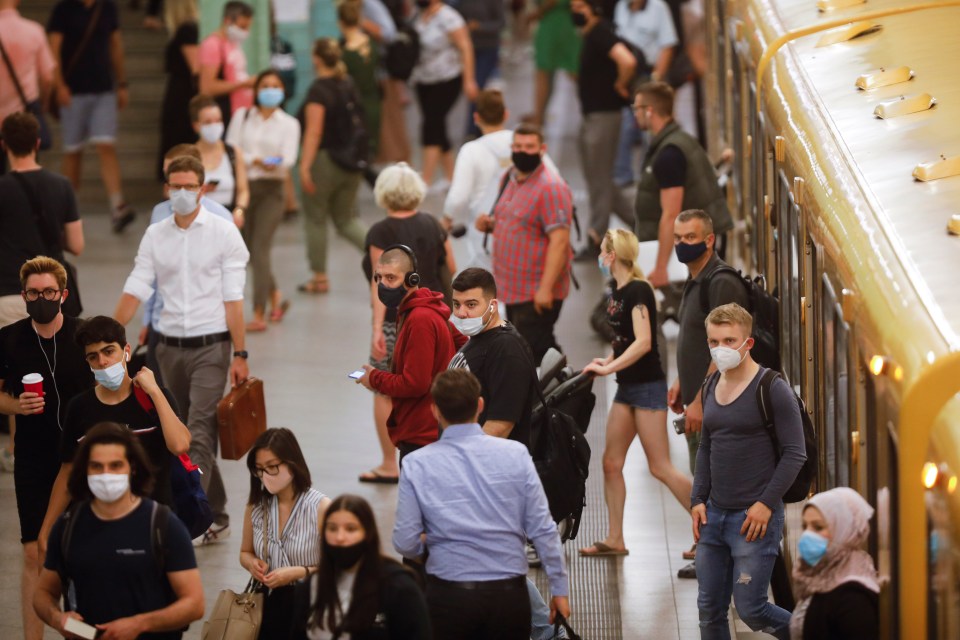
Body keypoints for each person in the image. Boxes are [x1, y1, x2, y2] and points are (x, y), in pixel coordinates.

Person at [114, 155, 250, 546]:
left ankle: (186, 522)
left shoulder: (224, 234)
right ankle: (217, 510)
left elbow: (233, 298)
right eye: (176, 185)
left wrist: (240, 354)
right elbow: (137, 285)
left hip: (212, 345)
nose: (183, 193)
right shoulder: (156, 235)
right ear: (166, 188)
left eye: (191, 186)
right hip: (166, 346)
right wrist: (108, 332)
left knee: (200, 430)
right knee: (179, 428)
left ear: (204, 189)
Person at [393, 369, 570, 639]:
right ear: (479, 405)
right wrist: (559, 590)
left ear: (434, 410)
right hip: (509, 598)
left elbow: (405, 542)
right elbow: (543, 529)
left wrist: (435, 540)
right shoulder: (515, 454)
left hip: (449, 597)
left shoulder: (417, 464)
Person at [691, 303, 805, 640]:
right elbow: (706, 447)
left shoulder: (772, 388)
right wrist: (698, 498)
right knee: (708, 610)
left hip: (752, 520)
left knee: (752, 609)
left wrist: (766, 504)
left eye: (729, 340)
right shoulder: (711, 385)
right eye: (714, 342)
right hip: (713, 516)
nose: (720, 349)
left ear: (748, 343)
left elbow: (794, 454)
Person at [37, 315, 193, 563]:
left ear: (126, 351)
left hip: (154, 523)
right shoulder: (80, 407)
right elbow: (67, 471)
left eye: (109, 351)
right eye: (93, 356)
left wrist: (153, 390)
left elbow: (180, 445)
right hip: (100, 527)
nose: (102, 362)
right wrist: (46, 530)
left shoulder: (155, 398)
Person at [577, 229, 691, 556]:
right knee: (611, 463)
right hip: (627, 388)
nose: (599, 257)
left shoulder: (639, 290)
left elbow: (643, 343)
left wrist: (608, 370)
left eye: (602, 251)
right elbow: (624, 341)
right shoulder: (618, 290)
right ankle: (615, 539)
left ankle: (709, 525)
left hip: (646, 388)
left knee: (660, 466)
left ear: (612, 255)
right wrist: (609, 360)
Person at [34, 422, 205, 640]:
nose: (106, 475)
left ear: (132, 468)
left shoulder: (163, 525)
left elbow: (194, 604)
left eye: (115, 465)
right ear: (84, 469)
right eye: (96, 466)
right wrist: (57, 618)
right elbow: (43, 593)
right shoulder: (68, 526)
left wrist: (139, 624)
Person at [0, 257, 93, 640]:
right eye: (35, 293)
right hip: (34, 460)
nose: (42, 298)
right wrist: (15, 405)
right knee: (33, 553)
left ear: (63, 295)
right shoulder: (9, 339)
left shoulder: (83, 336)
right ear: (24, 296)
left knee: (84, 553)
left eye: (49, 292)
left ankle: (87, 632)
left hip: (84, 460)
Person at [359, 164, 454, 483]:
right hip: (434, 311)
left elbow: (378, 281)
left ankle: (389, 462)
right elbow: (450, 267)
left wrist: (376, 328)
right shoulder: (434, 224)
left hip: (393, 319)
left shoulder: (380, 232)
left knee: (382, 387)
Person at [669, 208, 748, 577]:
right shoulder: (696, 278)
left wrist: (701, 399)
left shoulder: (720, 282)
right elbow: (694, 341)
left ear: (710, 239)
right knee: (701, 472)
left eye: (690, 238)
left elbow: (725, 351)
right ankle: (706, 546)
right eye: (678, 238)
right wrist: (682, 384)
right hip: (698, 395)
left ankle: (712, 555)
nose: (682, 245)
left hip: (715, 401)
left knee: (710, 479)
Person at [356, 246, 465, 463]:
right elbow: (463, 344)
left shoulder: (420, 319)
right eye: (379, 278)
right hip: (433, 429)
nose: (383, 285)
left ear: (412, 280)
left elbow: (415, 383)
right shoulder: (419, 311)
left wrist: (374, 378)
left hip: (423, 437)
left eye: (391, 278)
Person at [475, 123, 572, 362]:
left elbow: (560, 241)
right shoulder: (508, 177)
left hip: (535, 290)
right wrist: (491, 224)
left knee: (536, 351)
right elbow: (519, 220)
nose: (522, 151)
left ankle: (567, 394)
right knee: (527, 350)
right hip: (512, 288)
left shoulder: (551, 187)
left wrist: (545, 289)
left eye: (529, 146)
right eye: (518, 146)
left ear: (542, 149)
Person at [141, 143, 236, 379]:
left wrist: (235, 342)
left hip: (205, 328)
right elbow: (152, 274)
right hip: (161, 324)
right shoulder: (158, 213)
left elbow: (230, 283)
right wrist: (147, 320)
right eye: (170, 182)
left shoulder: (221, 218)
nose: (176, 190)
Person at [443, 90, 559, 270]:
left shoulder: (471, 150)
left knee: (490, 289)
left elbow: (458, 197)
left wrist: (446, 221)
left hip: (484, 233)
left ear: (476, 117)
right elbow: (555, 180)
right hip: (525, 230)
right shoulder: (524, 141)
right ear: (506, 114)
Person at [47, 0, 136, 233]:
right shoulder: (64, 9)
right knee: (73, 150)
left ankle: (117, 204)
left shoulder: (107, 8)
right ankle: (70, 210)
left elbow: (115, 44)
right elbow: (54, 48)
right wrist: (59, 85)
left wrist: (122, 82)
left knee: (106, 145)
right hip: (73, 90)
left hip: (103, 88)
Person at [632, 81, 732, 287]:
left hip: (686, 253)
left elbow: (671, 215)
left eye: (637, 108)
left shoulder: (669, 154)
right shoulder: (680, 140)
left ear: (649, 111)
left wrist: (660, 268)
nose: (635, 114)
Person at [226, 69, 301, 332]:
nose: (270, 90)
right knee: (246, 249)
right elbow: (232, 148)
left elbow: (288, 158)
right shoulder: (242, 116)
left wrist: (271, 163)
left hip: (273, 190)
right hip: (245, 188)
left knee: (259, 248)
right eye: (265, 85)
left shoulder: (289, 123)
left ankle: (259, 311)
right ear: (257, 90)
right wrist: (254, 160)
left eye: (275, 85)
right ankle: (275, 294)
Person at [297, 494, 431, 639]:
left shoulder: (398, 587)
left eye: (351, 529)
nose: (340, 537)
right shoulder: (311, 586)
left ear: (368, 533)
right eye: (332, 528)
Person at [241, 428, 331, 639]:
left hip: (310, 604)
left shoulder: (320, 507)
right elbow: (245, 552)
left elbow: (336, 567)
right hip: (267, 606)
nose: (265, 476)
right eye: (259, 469)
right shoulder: (256, 506)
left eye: (272, 467)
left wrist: (298, 572)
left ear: (292, 463)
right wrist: (252, 564)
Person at [298, 38, 369, 295]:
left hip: (325, 162)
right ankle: (387, 259)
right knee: (346, 219)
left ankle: (319, 277)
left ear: (316, 58)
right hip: (352, 162)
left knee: (316, 219)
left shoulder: (318, 90)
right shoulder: (347, 83)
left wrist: (304, 166)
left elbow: (313, 132)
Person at [0, 113, 84, 327]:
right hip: (50, 297)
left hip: (7, 292)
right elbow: (76, 245)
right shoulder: (62, 185)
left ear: (4, 145)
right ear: (37, 143)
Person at [570, 0, 637, 258]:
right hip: (593, 116)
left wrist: (621, 84)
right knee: (601, 179)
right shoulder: (592, 34)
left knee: (598, 180)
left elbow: (627, 61)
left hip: (604, 117)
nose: (575, 12)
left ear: (595, 8)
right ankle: (639, 220)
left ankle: (595, 237)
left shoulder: (600, 33)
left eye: (580, 6)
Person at [448, 267, 536, 447]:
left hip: (485, 468)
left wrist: (464, 460)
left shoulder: (506, 350)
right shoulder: (481, 337)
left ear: (493, 306)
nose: (461, 313)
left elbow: (500, 425)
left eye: (471, 304)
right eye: (457, 304)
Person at [790, 487, 879, 640]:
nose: (807, 534)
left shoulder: (853, 600)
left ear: (844, 531)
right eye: (805, 526)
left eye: (818, 527)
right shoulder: (822, 576)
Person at [410, 0, 478, 189]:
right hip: (423, 79)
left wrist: (469, 79)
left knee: (431, 125)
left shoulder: (449, 17)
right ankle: (452, 177)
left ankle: (425, 179)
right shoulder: (418, 14)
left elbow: (466, 47)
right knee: (438, 126)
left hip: (447, 78)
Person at [612, 0, 677, 186]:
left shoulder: (658, 8)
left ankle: (649, 177)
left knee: (649, 131)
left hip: (649, 75)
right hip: (629, 78)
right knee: (625, 127)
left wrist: (655, 81)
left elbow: (667, 46)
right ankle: (623, 178)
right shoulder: (621, 7)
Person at [0, 0, 56, 175]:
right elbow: (48, 78)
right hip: (25, 115)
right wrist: (43, 103)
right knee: (27, 172)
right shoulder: (34, 30)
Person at [157, 0, 200, 180]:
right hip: (181, 94)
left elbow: (196, 68)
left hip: (182, 97)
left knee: (178, 144)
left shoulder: (186, 30)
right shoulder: (187, 30)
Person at [191, 94, 248, 227]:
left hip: (228, 218)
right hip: (197, 219)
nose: (214, 126)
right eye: (208, 122)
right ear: (196, 126)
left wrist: (239, 210)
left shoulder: (232, 152)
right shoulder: (188, 155)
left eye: (218, 120)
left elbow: (243, 190)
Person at [198, 0, 255, 126]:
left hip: (240, 112)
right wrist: (244, 84)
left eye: (248, 27)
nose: (245, 31)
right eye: (242, 27)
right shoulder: (212, 45)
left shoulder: (233, 44)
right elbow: (206, 88)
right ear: (228, 21)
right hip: (226, 112)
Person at [338, 1, 381, 164]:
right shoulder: (371, 43)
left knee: (356, 152)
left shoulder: (344, 52)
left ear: (341, 22)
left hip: (353, 107)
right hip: (373, 102)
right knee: (369, 150)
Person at [454, 0, 505, 137]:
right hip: (467, 47)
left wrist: (480, 26)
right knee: (474, 88)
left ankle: (472, 130)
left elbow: (501, 22)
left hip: (487, 48)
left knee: (476, 86)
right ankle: (477, 128)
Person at [528, 0, 581, 127]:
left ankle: (538, 118)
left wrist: (535, 14)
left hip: (553, 23)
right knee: (574, 72)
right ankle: (590, 112)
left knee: (543, 74)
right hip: (567, 22)